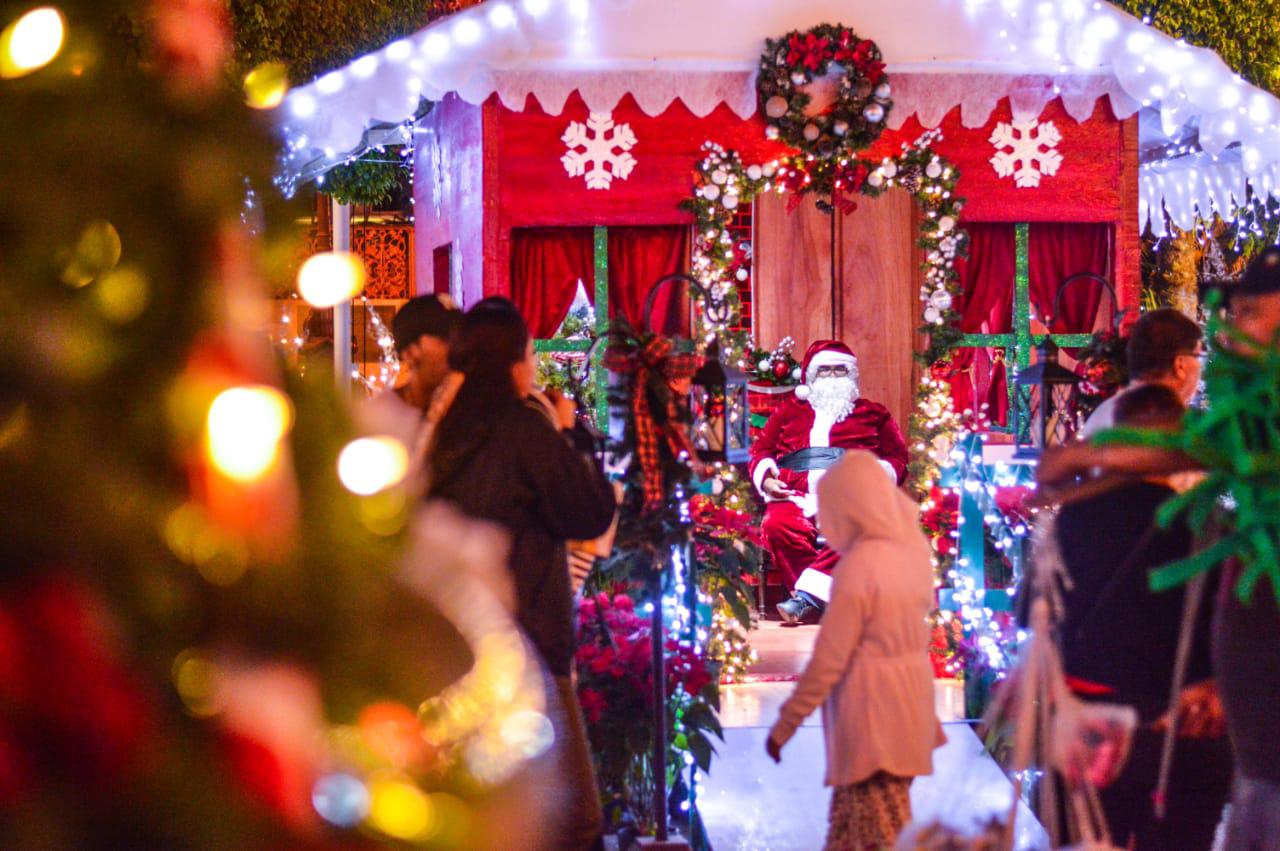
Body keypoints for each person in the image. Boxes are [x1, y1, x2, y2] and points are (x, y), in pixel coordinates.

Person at [1038, 246, 1280, 851]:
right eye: (1236, 315)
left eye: (1254, 315)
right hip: (1250, 748)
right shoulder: (1249, 428)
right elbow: (1192, 451)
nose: (1232, 337)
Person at [426, 305, 616, 851]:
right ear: (514, 364)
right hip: (530, 647)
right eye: (531, 355)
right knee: (575, 821)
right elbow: (589, 511)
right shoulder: (524, 430)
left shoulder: (443, 429)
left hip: (459, 650)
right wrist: (568, 434)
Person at [1055, 384, 1230, 850]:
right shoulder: (1211, 524)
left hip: (1095, 732)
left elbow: (1041, 618)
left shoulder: (1076, 518)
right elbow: (1231, 631)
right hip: (1186, 735)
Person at [765, 451, 943, 850]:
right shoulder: (908, 555)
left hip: (870, 720)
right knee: (889, 814)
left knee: (870, 825)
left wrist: (785, 726)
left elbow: (829, 662)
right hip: (907, 713)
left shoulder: (857, 573)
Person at [750, 340, 909, 624]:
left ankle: (806, 600)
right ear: (811, 375)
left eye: (840, 371)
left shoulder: (873, 413)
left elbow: (898, 458)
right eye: (825, 371)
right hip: (795, 495)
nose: (833, 377)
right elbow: (761, 450)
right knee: (776, 526)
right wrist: (767, 480)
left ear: (851, 376)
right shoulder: (788, 411)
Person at [356, 294, 462, 490]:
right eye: (445, 339)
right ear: (410, 352)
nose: (456, 349)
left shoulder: (467, 410)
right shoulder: (380, 418)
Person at [1080, 308, 1203, 438]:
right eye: (1197, 356)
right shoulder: (1173, 428)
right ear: (1180, 365)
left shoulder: (1103, 413)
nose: (1200, 366)